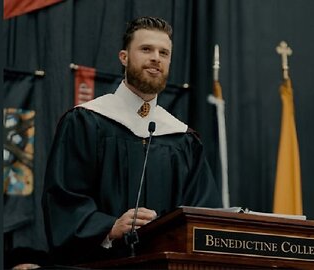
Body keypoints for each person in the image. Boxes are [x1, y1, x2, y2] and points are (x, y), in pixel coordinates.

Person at [42, 16, 222, 266]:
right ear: (124, 57)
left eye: (164, 52)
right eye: (146, 49)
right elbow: (64, 200)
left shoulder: (181, 139)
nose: (156, 58)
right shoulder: (86, 121)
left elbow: (202, 215)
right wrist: (109, 228)